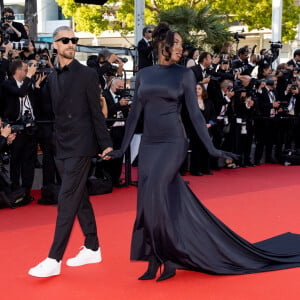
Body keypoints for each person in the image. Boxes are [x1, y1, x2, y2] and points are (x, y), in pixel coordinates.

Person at [109, 22, 300, 282]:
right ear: (162, 45)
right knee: (146, 200)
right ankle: (154, 257)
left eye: (180, 44)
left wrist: (212, 148)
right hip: (150, 144)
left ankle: (170, 257)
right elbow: (134, 115)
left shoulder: (184, 75)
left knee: (155, 195)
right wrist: (121, 149)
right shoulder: (144, 74)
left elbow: (195, 116)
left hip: (173, 143)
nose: (181, 48)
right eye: (175, 43)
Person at [28, 26, 113, 278]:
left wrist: (105, 143)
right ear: (55, 44)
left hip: (81, 145)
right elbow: (51, 114)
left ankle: (54, 258)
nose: (71, 43)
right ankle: (92, 246)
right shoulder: (52, 77)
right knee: (79, 197)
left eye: (73, 40)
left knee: (66, 199)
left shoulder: (87, 74)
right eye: (65, 40)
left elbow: (96, 112)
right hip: (61, 146)